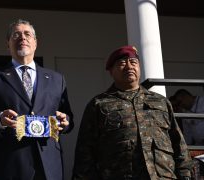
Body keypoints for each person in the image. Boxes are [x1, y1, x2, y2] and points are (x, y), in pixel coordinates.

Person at [0, 19, 73, 180]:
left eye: (27, 34)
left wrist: (65, 123)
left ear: (35, 43)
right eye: (16, 35)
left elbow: (67, 117)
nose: (22, 38)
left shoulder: (56, 79)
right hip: (8, 165)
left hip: (48, 166)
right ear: (7, 44)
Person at [72, 45, 192, 179]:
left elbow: (178, 144)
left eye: (133, 62)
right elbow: (85, 153)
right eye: (122, 63)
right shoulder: (99, 104)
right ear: (111, 71)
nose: (129, 67)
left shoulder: (161, 102)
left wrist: (185, 175)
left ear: (139, 67)